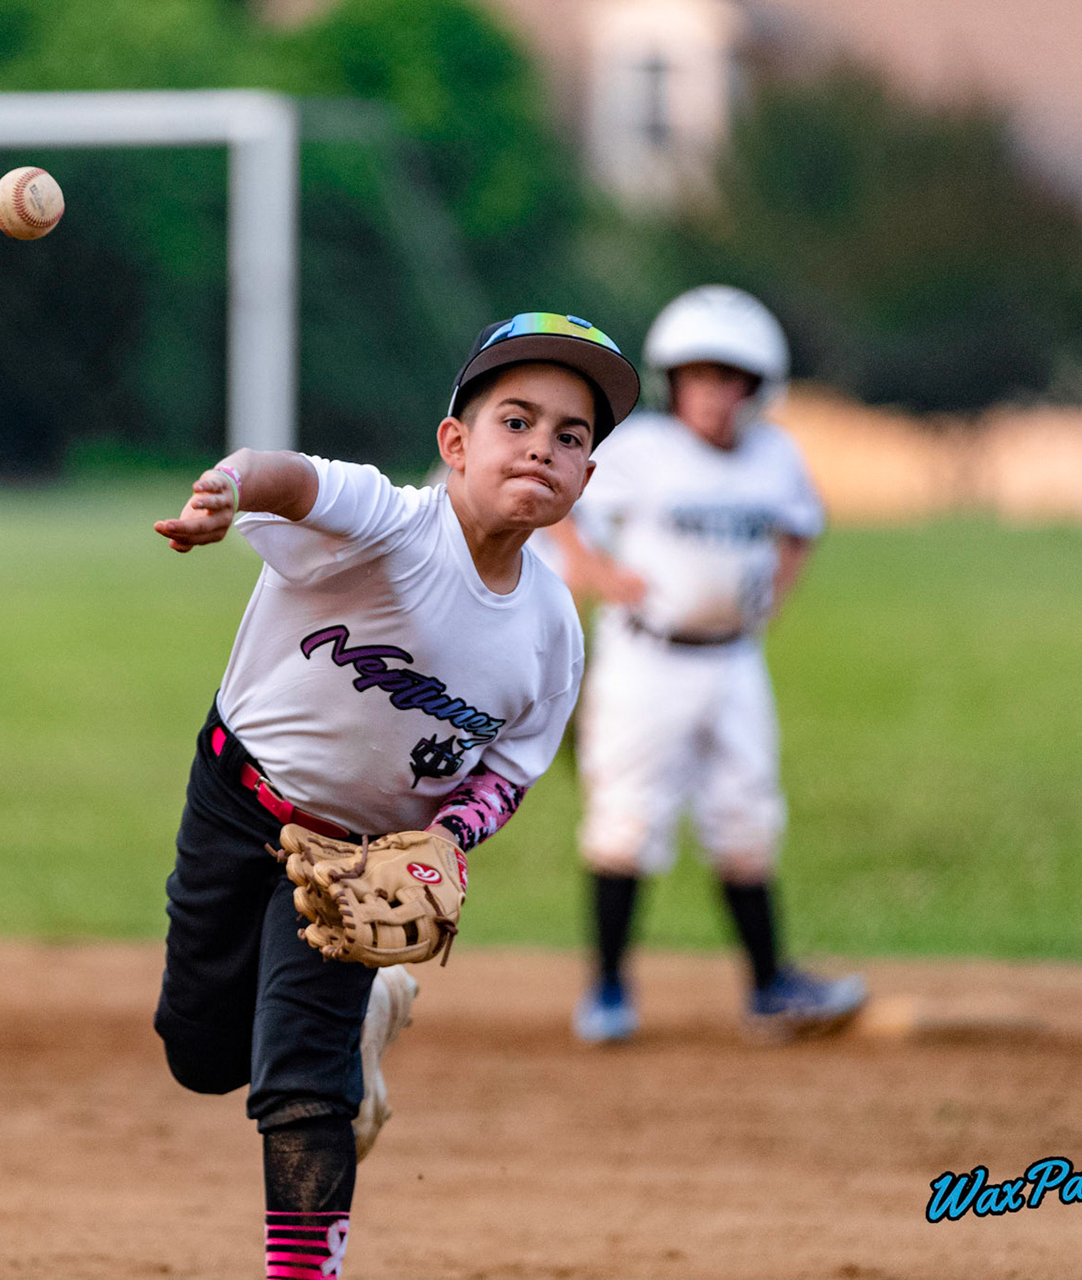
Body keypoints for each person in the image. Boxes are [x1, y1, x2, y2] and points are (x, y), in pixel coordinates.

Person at [151, 313, 642, 1279]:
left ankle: (305, 1263)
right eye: (516, 419)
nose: (542, 445)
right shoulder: (390, 521)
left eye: (571, 436)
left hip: (358, 859)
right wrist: (229, 490)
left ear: (586, 479)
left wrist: (448, 840)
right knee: (200, 1054)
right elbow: (289, 476)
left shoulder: (551, 632)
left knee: (301, 1083)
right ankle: (364, 1024)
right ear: (454, 445)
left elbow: (509, 770)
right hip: (237, 797)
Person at [545, 286, 866, 1045]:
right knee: (626, 820)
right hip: (646, 658)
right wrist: (596, 571)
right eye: (697, 377)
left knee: (747, 816)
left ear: (756, 389)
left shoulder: (773, 454)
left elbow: (802, 528)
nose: (713, 394)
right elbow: (562, 504)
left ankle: (769, 988)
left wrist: (777, 594)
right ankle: (610, 992)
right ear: (672, 382)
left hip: (734, 661)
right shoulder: (642, 451)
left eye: (729, 379)